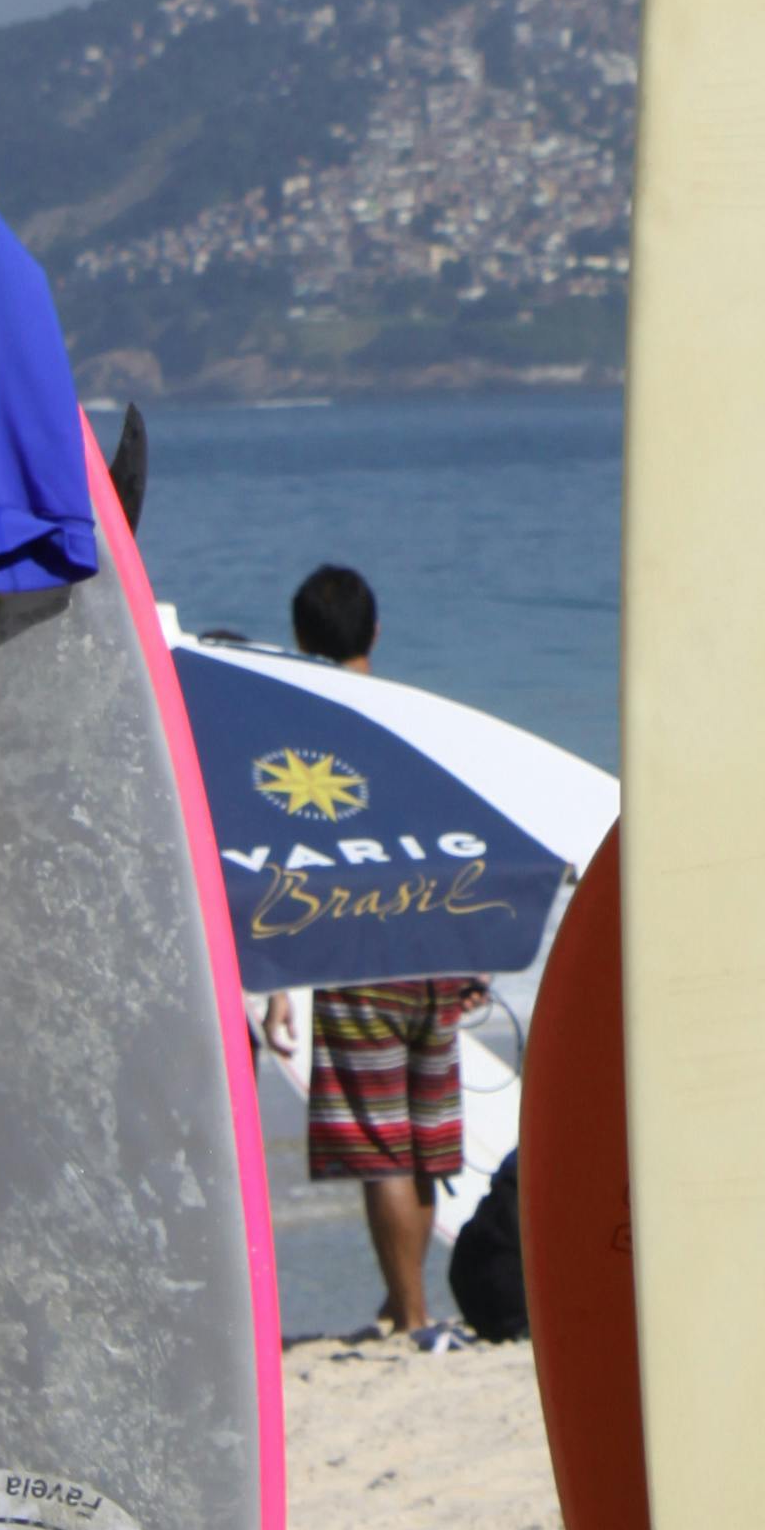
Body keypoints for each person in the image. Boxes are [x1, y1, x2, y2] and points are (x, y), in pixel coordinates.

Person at [260, 566, 484, 1352]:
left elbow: (297, 861)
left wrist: (282, 980)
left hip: (367, 955)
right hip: (440, 946)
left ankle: (414, 1313)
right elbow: (466, 832)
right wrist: (478, 947)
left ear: (299, 640)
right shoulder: (415, 719)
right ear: (376, 633)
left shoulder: (311, 733)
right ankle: (404, 1305)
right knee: (422, 1141)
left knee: (382, 1144)